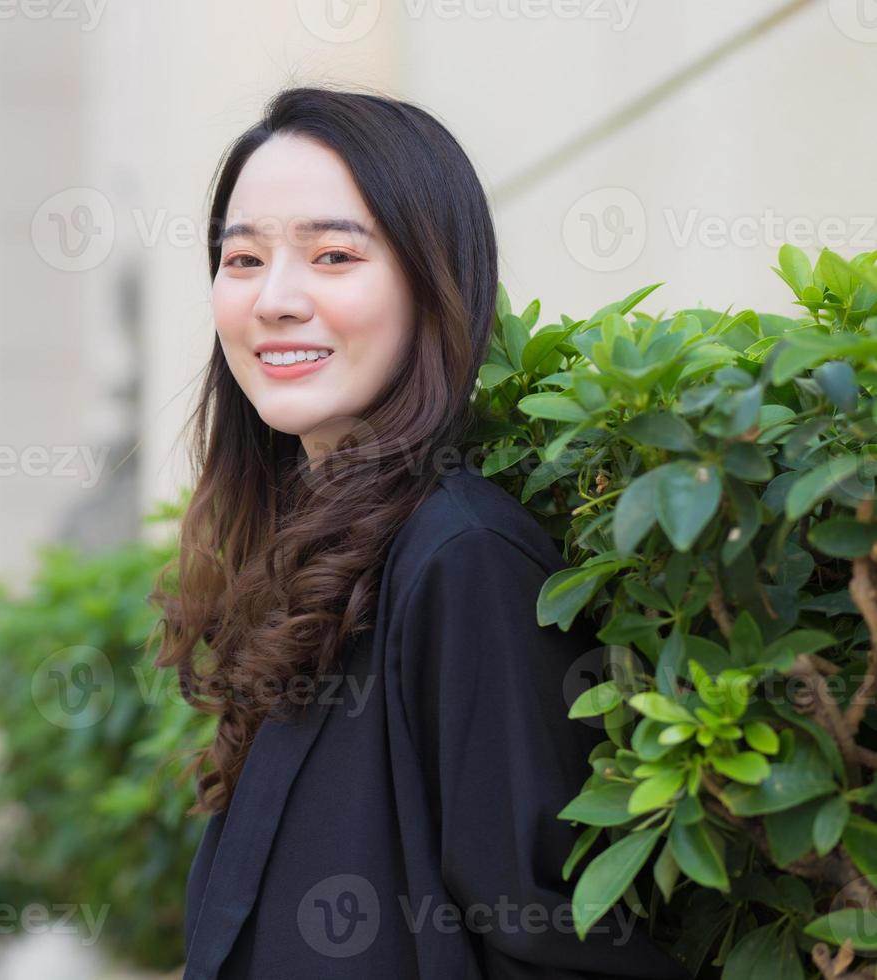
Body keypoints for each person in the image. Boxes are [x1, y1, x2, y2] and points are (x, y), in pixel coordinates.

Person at [148, 87, 693, 979]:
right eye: (241, 259)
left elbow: (549, 948)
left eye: (332, 255)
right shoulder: (298, 550)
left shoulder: (461, 558)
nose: (276, 299)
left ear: (431, 279)